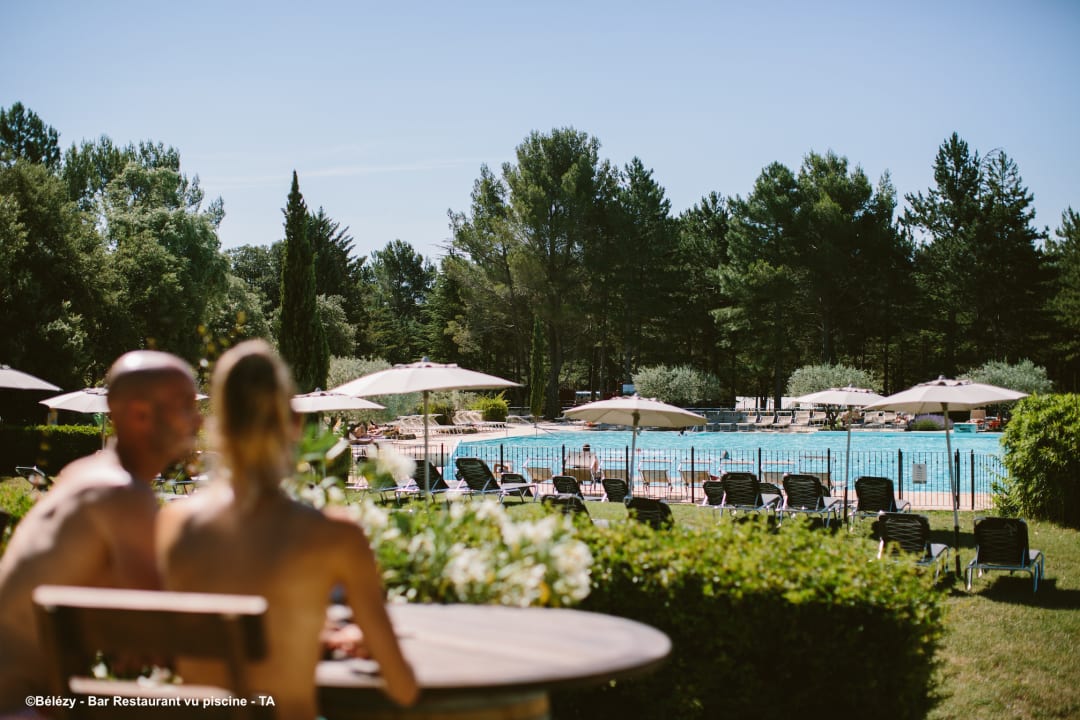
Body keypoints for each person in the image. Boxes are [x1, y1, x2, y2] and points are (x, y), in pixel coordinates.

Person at [156, 340, 417, 718]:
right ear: (294, 425)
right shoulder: (335, 536)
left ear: (216, 427)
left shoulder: (173, 525)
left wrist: (309, 630)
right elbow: (402, 687)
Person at [0, 351, 201, 711]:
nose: (199, 419)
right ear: (140, 414)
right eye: (186, 405)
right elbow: (162, 628)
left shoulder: (85, 472)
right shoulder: (120, 492)